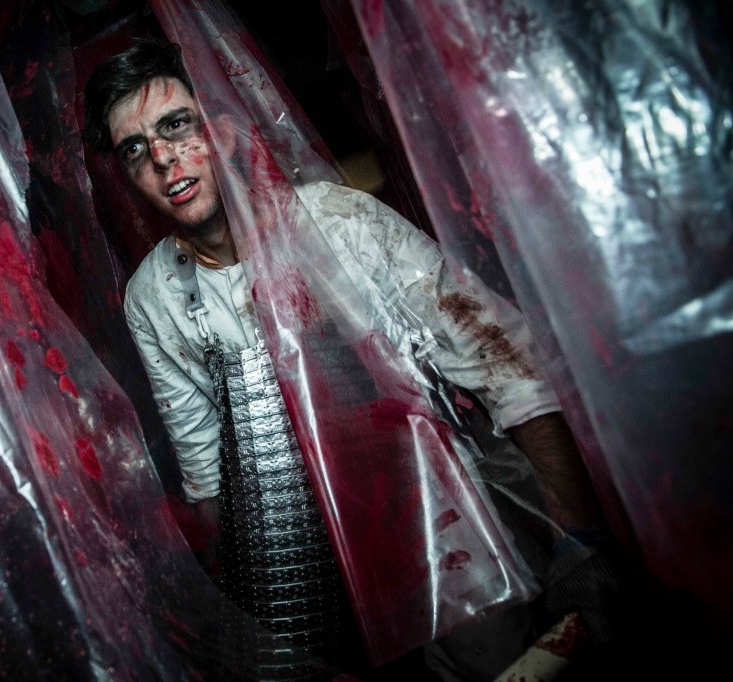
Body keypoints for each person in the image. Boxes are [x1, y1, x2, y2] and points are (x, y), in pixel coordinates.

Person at [83, 37, 619, 681]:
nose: (163, 158)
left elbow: (505, 365)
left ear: (220, 130)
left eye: (176, 125)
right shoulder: (153, 297)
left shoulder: (340, 223)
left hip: (442, 528)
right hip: (306, 560)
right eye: (135, 148)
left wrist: (581, 541)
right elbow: (207, 474)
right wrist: (261, 619)